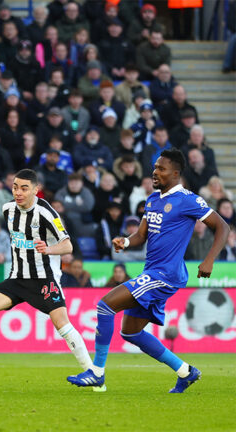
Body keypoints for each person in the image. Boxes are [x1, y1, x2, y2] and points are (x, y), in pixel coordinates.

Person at [68, 149, 229, 393]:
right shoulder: (153, 199)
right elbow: (141, 235)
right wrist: (126, 241)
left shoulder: (188, 200)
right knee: (130, 332)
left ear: (175, 173)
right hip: (152, 271)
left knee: (104, 306)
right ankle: (185, 371)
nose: (155, 172)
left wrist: (209, 261)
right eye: (155, 167)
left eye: (161, 169)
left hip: (166, 274)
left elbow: (223, 227)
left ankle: (97, 372)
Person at [0, 169, 93, 383]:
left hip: (44, 279)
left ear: (36, 190)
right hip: (17, 278)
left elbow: (68, 245)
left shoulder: (46, 212)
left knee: (62, 324)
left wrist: (48, 249)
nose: (18, 192)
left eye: (24, 188)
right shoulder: (8, 210)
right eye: (15, 187)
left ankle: (92, 372)